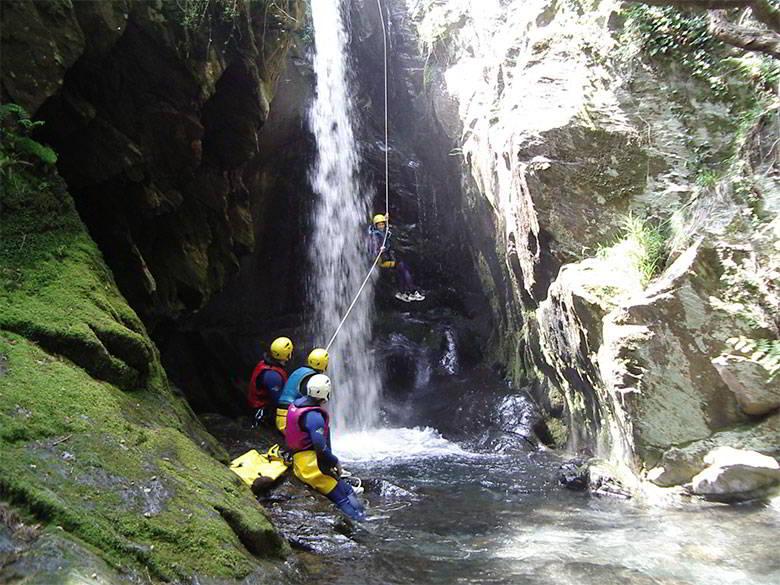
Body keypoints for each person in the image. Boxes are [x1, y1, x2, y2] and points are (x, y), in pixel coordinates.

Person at [286, 374, 366, 521]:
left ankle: (363, 516)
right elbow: (320, 447)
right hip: (311, 467)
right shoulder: (314, 416)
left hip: (302, 460)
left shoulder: (296, 405)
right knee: (341, 498)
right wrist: (335, 462)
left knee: (348, 491)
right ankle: (360, 522)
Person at [368, 213, 425, 302]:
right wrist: (379, 250)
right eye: (379, 225)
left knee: (402, 268)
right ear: (375, 226)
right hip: (382, 261)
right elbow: (372, 250)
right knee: (402, 267)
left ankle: (404, 291)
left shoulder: (383, 232)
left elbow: (388, 230)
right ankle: (411, 291)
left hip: (388, 258)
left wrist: (386, 219)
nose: (381, 226)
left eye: (382, 224)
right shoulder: (375, 236)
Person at [275, 347, 329, 433]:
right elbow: (311, 401)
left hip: (282, 414)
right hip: (288, 418)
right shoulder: (312, 379)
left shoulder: (300, 371)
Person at [247, 337, 293, 427]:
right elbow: (279, 400)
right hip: (262, 410)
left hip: (261, 404)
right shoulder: (272, 376)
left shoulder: (266, 363)